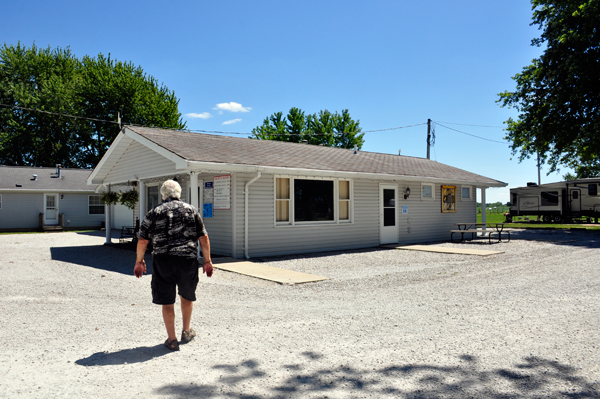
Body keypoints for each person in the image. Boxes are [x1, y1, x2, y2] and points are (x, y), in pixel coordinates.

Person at [134, 179, 213, 351]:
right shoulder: (192, 210)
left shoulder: (154, 212)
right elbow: (204, 238)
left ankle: (172, 340)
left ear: (163, 195)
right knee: (187, 295)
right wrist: (207, 261)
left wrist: (139, 261)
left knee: (167, 301)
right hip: (187, 260)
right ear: (179, 194)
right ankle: (186, 331)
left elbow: (142, 240)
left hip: (163, 261)